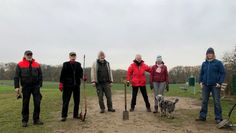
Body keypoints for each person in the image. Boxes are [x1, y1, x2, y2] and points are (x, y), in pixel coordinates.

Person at [196, 47, 225, 124]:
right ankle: (202, 116)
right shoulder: (204, 63)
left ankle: (218, 118)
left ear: (213, 54)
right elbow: (201, 74)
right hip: (205, 85)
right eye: (208, 53)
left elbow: (223, 73)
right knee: (204, 101)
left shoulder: (218, 63)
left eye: (211, 53)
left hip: (215, 85)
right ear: (206, 54)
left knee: (217, 102)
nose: (209, 55)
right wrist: (200, 82)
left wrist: (220, 82)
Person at [14, 50, 43, 127]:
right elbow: (16, 77)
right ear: (25, 55)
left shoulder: (37, 64)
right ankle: (24, 121)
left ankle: (36, 119)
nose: (29, 56)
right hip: (26, 87)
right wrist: (16, 87)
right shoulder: (19, 64)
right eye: (28, 54)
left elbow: (40, 75)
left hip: (36, 87)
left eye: (30, 54)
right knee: (25, 104)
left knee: (37, 103)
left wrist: (40, 85)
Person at [59, 52, 84, 121]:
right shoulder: (65, 64)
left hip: (76, 86)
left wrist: (83, 77)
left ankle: (75, 115)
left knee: (77, 101)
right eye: (71, 56)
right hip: (67, 85)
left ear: (76, 57)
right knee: (66, 101)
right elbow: (62, 75)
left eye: (74, 56)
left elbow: (81, 73)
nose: (73, 57)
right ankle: (64, 116)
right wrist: (61, 83)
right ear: (69, 57)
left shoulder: (78, 64)